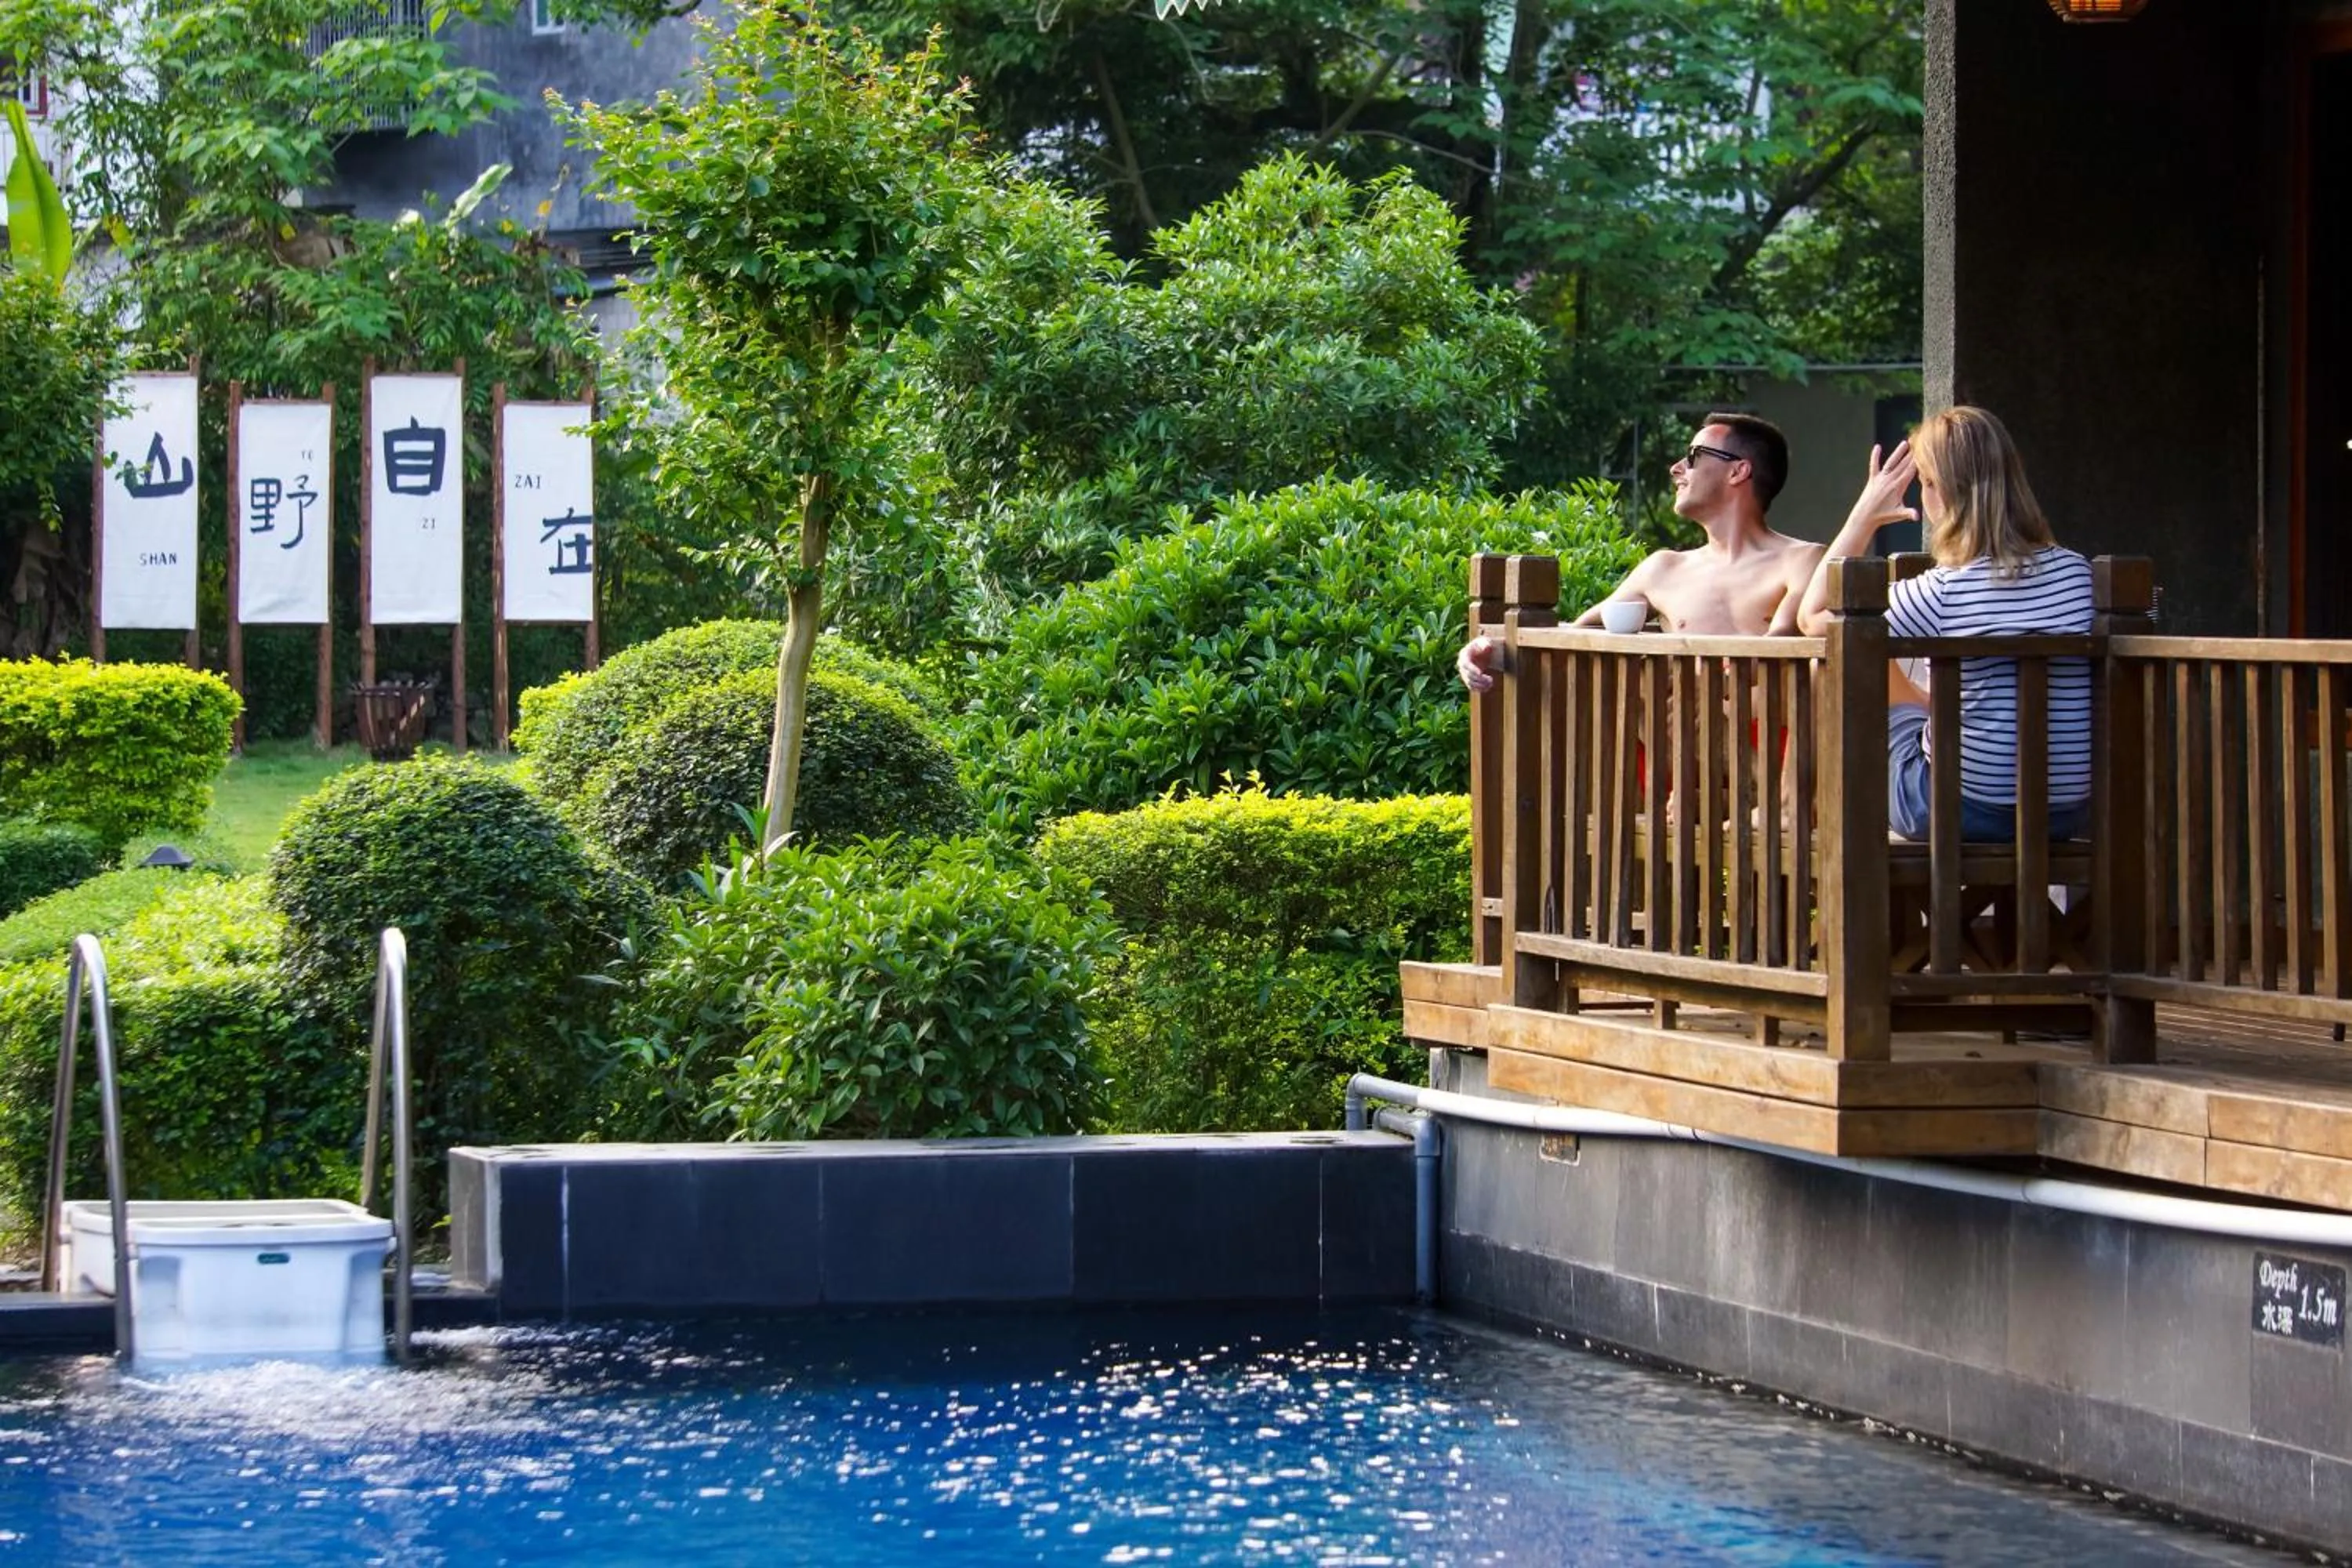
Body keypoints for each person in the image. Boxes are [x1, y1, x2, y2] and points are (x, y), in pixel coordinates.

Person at [1791, 405, 2092, 843]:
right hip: (2066, 813)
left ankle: (1808, 823)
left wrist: (1864, 515)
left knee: (1841, 664)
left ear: (1939, 489)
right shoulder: (2078, 575)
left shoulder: (1944, 590)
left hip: (1954, 809)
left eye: (1924, 484)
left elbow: (1814, 617)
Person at [1456, 412, 1822, 690]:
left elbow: (1781, 645)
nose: (1677, 469)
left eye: (1693, 455)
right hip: (1676, 753)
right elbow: (1571, 636)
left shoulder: (1802, 560)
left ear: (1738, 471)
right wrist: (1492, 648)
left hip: (1771, 751)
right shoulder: (1662, 569)